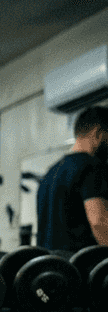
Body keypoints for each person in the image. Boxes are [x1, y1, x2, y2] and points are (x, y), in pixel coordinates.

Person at [36, 106, 108, 252]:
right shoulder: (92, 166)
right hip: (81, 264)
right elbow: (99, 222)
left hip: (50, 264)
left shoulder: (49, 174)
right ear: (98, 133)